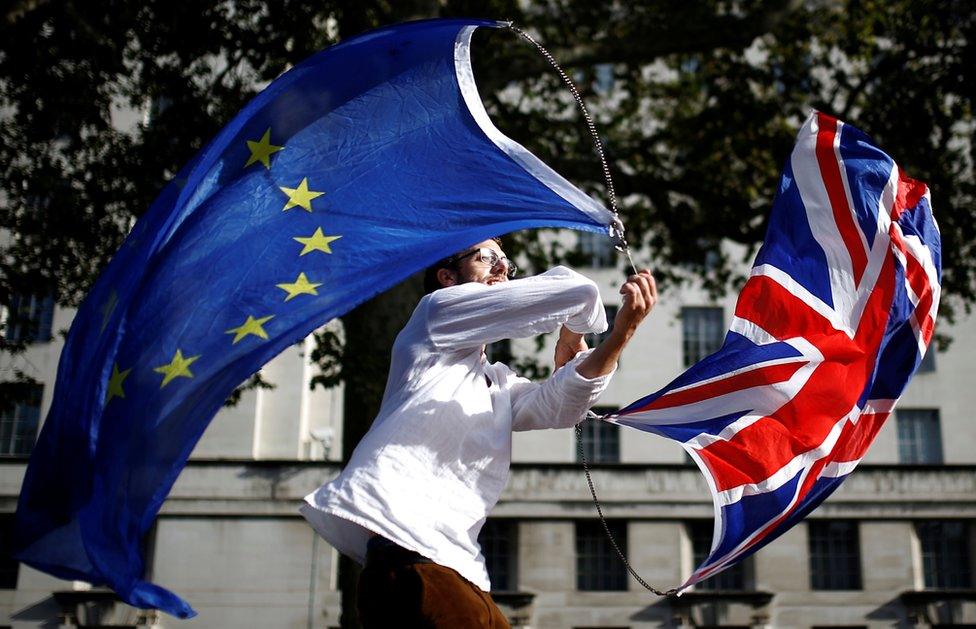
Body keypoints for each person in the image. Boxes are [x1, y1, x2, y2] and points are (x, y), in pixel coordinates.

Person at [301, 237, 657, 627]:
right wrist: (581, 327)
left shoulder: (497, 383)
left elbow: (562, 406)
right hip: (408, 551)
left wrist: (620, 336)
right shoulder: (433, 317)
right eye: (487, 257)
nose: (503, 268)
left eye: (506, 261)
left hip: (454, 565)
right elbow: (576, 292)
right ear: (447, 277)